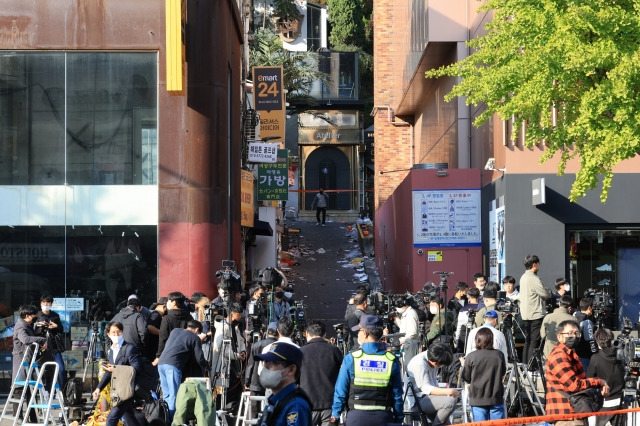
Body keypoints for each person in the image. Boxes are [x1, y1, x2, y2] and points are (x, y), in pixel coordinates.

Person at [331, 315, 404, 425]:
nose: (358, 334)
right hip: (383, 418)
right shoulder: (391, 360)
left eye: (359, 331)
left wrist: (335, 417)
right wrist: (398, 419)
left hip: (356, 419)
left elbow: (340, 392)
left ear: (365, 333)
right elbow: (397, 395)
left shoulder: (352, 358)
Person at [545, 320, 609, 425]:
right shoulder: (559, 356)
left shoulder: (570, 354)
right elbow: (574, 385)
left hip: (575, 413)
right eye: (569, 333)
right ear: (559, 336)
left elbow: (581, 382)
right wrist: (598, 382)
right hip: (566, 417)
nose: (574, 336)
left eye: (576, 333)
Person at [92, 321, 142, 426]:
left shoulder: (129, 348)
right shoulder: (111, 350)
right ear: (108, 334)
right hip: (118, 390)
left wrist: (116, 369)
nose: (116, 335)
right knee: (129, 418)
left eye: (119, 332)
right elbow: (108, 372)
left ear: (122, 332)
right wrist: (98, 388)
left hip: (126, 390)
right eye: (113, 332)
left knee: (111, 420)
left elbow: (137, 368)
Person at [157, 320, 208, 423]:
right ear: (197, 329)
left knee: (166, 395)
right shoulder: (195, 338)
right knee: (174, 395)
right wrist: (208, 365)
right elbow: (199, 359)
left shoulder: (175, 331)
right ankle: (172, 421)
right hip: (173, 365)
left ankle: (165, 419)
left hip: (161, 363)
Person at [255, 342, 312, 426]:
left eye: (272, 363)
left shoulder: (295, 405)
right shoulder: (275, 401)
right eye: (265, 362)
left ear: (291, 370)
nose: (266, 368)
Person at [300, 321, 343, 426]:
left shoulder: (300, 352)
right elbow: (341, 376)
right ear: (324, 334)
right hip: (329, 404)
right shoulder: (334, 350)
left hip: (307, 404)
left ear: (307, 334)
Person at [405, 342, 459, 426]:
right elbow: (426, 388)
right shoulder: (419, 363)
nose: (441, 366)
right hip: (416, 401)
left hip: (427, 398)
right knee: (450, 402)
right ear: (435, 362)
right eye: (441, 364)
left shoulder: (433, 361)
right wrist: (449, 391)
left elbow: (434, 384)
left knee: (447, 423)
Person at [12, 305, 48, 422]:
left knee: (30, 391)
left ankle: (32, 418)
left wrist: (38, 327)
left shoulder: (27, 325)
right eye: (34, 316)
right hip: (22, 361)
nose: (35, 317)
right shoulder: (20, 326)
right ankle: (18, 417)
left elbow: (31, 335)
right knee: (20, 390)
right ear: (27, 316)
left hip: (28, 360)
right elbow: (26, 339)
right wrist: (42, 340)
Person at [461, 328, 506, 421]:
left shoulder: (471, 356)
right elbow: (503, 373)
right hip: (496, 396)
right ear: (491, 340)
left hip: (477, 397)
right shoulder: (499, 355)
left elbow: (467, 378)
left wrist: (463, 365)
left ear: (477, 340)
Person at [212, 302, 247, 410]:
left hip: (234, 365)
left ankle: (231, 409)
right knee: (221, 391)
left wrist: (243, 351)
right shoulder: (222, 327)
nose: (240, 316)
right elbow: (220, 348)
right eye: (238, 314)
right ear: (232, 313)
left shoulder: (234, 327)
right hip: (223, 365)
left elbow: (241, 341)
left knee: (233, 390)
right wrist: (237, 356)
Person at [519, 254, 553, 368]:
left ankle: (525, 365)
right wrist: (548, 292)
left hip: (525, 313)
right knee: (534, 341)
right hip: (535, 313)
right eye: (538, 264)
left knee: (528, 341)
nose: (539, 266)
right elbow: (544, 294)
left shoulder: (523, 277)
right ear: (534, 265)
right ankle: (531, 366)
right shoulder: (533, 278)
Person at [587, 328, 625, 426]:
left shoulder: (596, 358)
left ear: (599, 343)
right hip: (619, 400)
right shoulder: (620, 356)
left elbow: (590, 379)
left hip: (603, 401)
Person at [245, 322, 278, 418]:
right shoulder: (278, 346)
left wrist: (247, 381)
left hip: (256, 382)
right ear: (278, 332)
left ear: (267, 331)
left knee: (252, 412)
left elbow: (250, 365)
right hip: (273, 384)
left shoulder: (256, 345)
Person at [153, 292, 192, 364]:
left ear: (174, 302)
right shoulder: (189, 318)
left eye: (169, 300)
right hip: (186, 354)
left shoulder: (167, 318)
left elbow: (163, 338)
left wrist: (158, 356)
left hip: (169, 355)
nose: (168, 303)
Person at [37, 295, 66, 387]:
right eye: (44, 302)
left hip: (54, 346)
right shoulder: (37, 315)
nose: (46, 304)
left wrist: (56, 326)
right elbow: (32, 330)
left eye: (48, 303)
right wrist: (39, 325)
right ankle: (45, 391)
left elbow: (61, 329)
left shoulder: (55, 315)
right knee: (44, 370)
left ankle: (62, 390)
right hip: (42, 347)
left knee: (60, 368)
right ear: (41, 304)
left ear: (51, 304)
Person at [392, 297, 421, 365]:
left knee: (409, 367)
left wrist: (400, 341)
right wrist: (396, 318)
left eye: (397, 307)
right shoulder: (406, 313)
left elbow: (412, 333)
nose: (397, 309)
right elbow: (403, 327)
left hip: (410, 344)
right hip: (407, 344)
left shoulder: (411, 314)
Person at [573, 297, 597, 372]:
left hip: (575, 352)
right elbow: (590, 340)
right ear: (589, 307)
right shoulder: (587, 321)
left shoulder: (574, 316)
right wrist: (595, 354)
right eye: (593, 307)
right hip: (584, 354)